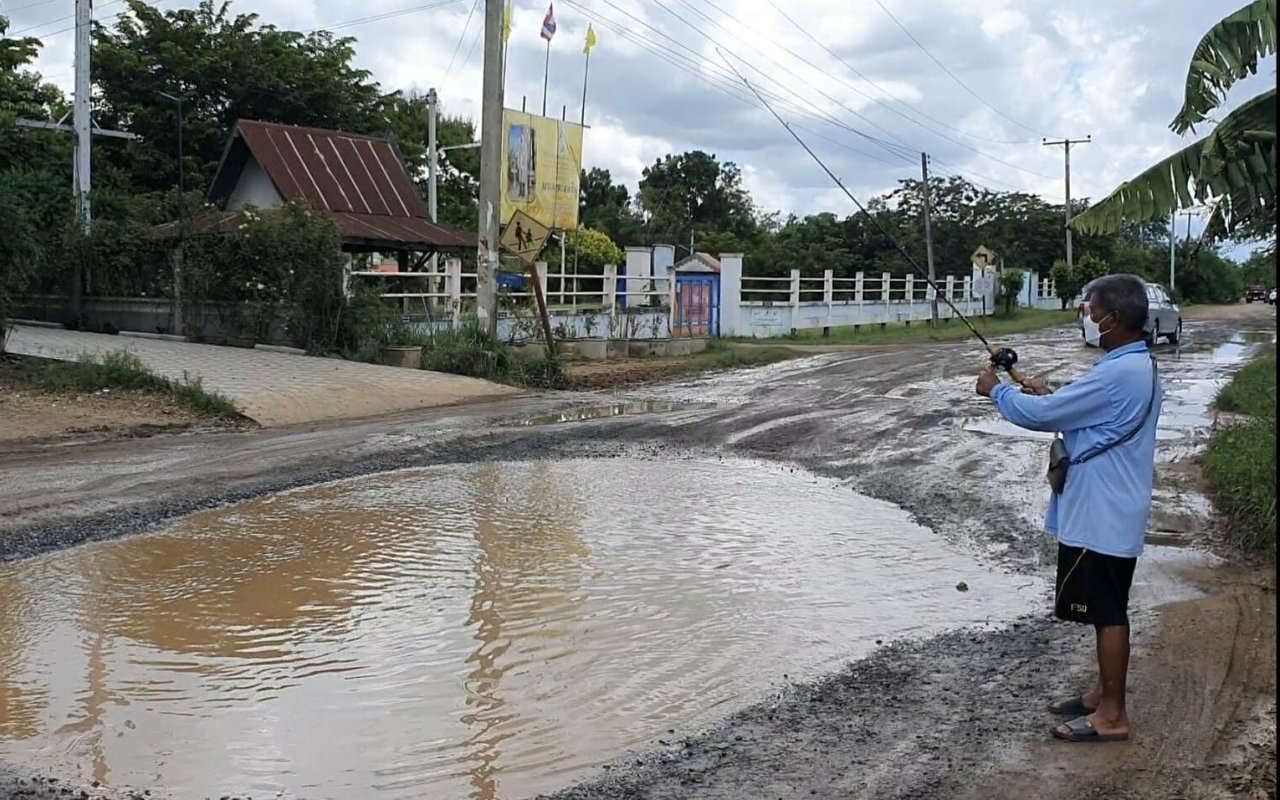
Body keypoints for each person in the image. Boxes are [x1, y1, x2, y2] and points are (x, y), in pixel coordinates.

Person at [975, 273, 1164, 743]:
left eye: (1091, 310)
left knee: (1108, 612)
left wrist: (996, 390)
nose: (1088, 317)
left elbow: (1038, 418)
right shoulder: (1136, 363)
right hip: (1114, 504)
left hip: (1104, 511)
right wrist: (1045, 393)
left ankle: (1113, 716)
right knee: (1108, 605)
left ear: (1114, 318)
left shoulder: (1119, 372)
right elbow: (1084, 413)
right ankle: (1104, 694)